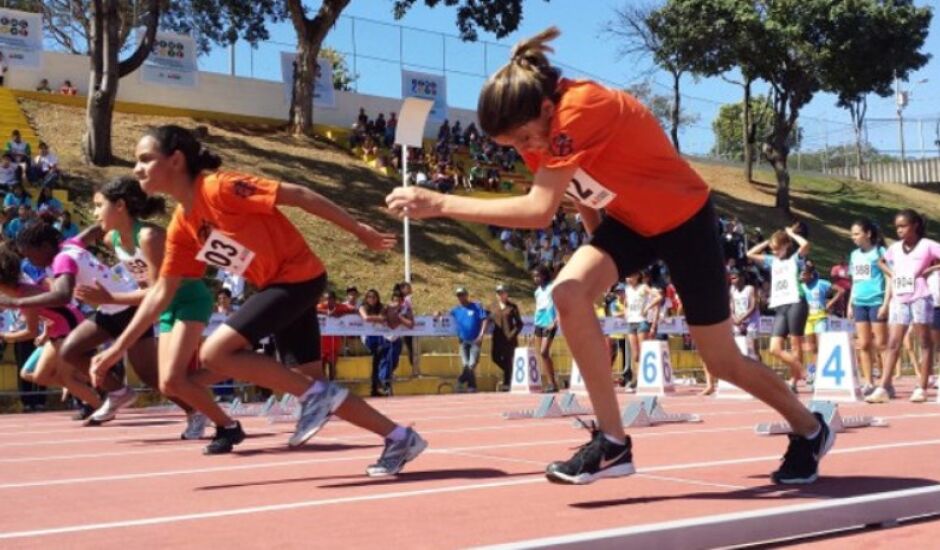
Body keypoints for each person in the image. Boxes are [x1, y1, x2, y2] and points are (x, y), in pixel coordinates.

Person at [386, 27, 832, 485]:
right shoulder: (542, 128)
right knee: (569, 292)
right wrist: (604, 253)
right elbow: (581, 189)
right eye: (513, 147)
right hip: (631, 222)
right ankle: (613, 443)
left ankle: (810, 428)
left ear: (544, 108)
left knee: (721, 360)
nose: (524, 151)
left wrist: (439, 204)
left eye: (523, 140)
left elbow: (539, 212)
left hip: (685, 220)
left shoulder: (580, 107)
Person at [90, 125, 425, 475]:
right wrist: (115, 350)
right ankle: (399, 437)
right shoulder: (181, 226)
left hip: (299, 277)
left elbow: (298, 194)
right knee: (313, 382)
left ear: (175, 160)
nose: (137, 169)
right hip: (276, 287)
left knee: (215, 352)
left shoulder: (219, 187)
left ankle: (314, 397)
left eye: (145, 159)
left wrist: (359, 230)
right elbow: (161, 292)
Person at [74, 177, 229, 446]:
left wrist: (111, 297)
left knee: (173, 377)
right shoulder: (112, 239)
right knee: (166, 380)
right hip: (159, 306)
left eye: (99, 206)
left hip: (188, 300)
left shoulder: (149, 237)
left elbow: (161, 289)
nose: (94, 213)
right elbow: (86, 239)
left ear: (120, 205)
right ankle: (209, 394)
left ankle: (225, 392)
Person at [4, 223, 145, 422]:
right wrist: (114, 219)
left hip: (127, 310)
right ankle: (117, 391)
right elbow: (95, 230)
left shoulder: (61, 259)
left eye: (29, 254)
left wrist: (16, 303)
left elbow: (62, 296)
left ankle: (194, 408)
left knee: (151, 375)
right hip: (109, 310)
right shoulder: (69, 245)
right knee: (69, 351)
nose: (29, 260)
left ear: (44, 246)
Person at [867, 209, 940, 404]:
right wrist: (892, 274)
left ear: (914, 226)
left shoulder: (928, 245)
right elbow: (881, 262)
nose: (899, 230)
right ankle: (883, 386)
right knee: (893, 343)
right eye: (897, 227)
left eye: (903, 226)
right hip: (899, 298)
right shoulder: (895, 248)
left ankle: (922, 387)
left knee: (924, 342)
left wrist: (932, 268)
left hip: (920, 297)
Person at [0, 243, 84, 402]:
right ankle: (85, 384)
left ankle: (92, 390)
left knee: (67, 377)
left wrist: (6, 336)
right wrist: (46, 331)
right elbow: (47, 312)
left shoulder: (27, 287)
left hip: (67, 326)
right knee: (33, 374)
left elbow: (34, 327)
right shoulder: (16, 289)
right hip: (55, 329)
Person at [747, 226, 811, 393]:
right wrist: (767, 242)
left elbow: (805, 245)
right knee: (774, 348)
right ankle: (802, 371)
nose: (774, 252)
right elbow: (750, 254)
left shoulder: (795, 259)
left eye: (777, 249)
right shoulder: (771, 260)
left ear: (786, 246)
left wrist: (791, 234)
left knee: (795, 344)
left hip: (796, 301)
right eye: (772, 249)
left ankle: (794, 382)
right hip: (780, 305)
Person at [847, 218, 888, 394]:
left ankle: (886, 382)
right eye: (852, 234)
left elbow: (889, 277)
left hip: (877, 301)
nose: (853, 237)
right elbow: (854, 281)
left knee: (881, 344)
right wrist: (850, 303)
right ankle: (868, 382)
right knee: (863, 344)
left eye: (856, 234)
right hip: (859, 303)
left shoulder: (880, 252)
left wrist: (886, 303)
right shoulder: (854, 255)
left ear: (868, 234)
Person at [799, 260, 845, 366]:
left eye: (804, 274)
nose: (801, 276)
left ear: (810, 275)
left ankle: (825, 369)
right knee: (812, 347)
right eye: (800, 273)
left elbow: (841, 290)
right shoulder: (801, 286)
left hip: (820, 317)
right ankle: (814, 370)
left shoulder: (821, 283)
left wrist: (829, 304)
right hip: (807, 319)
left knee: (822, 345)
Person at [450, 287, 489, 392]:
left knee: (471, 364)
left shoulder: (476, 306)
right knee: (466, 365)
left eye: (462, 294)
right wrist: (437, 313)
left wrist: (481, 335)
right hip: (463, 341)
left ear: (467, 295)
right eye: (458, 295)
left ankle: (459, 381)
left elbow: (485, 319)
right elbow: (445, 315)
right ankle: (472, 386)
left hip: (475, 340)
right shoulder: (456, 310)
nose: (460, 297)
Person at [489, 283, 523, 389]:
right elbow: (483, 316)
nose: (500, 295)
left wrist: (512, 334)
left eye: (502, 292)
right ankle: (511, 372)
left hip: (509, 339)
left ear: (506, 294)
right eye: (498, 293)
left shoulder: (512, 307)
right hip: (497, 338)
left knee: (508, 359)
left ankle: (507, 383)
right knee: (495, 357)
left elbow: (519, 324)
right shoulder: (492, 307)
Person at [318, 290, 356, 381]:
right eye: (325, 299)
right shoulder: (321, 306)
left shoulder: (340, 307)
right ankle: (322, 388)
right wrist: (325, 312)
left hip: (334, 342)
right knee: (320, 369)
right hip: (321, 343)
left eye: (330, 299)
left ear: (335, 300)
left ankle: (332, 386)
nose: (327, 302)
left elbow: (355, 309)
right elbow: (312, 309)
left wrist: (341, 314)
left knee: (332, 368)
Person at [532, 265, 559, 391]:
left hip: (550, 323)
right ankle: (550, 383)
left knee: (544, 352)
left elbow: (560, 304)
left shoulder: (552, 287)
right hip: (539, 323)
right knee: (541, 354)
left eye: (538, 275)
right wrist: (534, 325)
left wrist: (555, 321)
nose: (536, 278)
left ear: (544, 275)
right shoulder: (537, 292)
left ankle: (553, 383)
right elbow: (538, 308)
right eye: (534, 276)